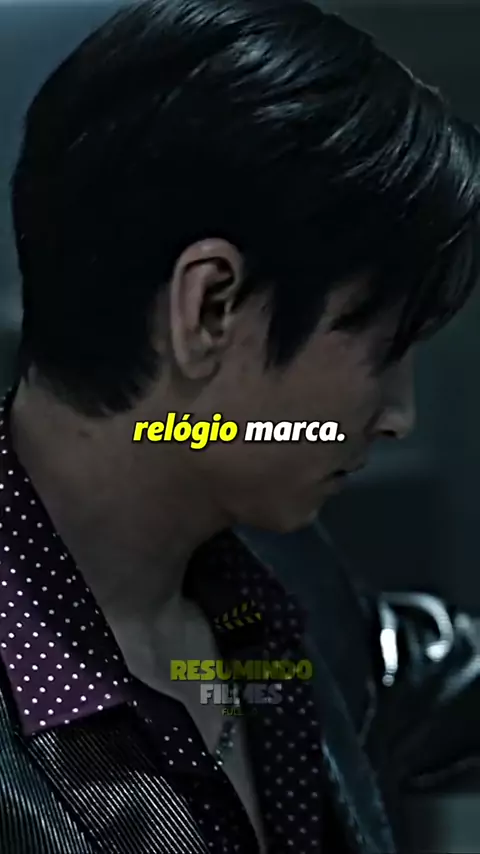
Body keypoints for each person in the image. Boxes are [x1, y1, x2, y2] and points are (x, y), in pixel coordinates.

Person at [1, 0, 480, 851]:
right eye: (385, 347)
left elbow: (415, 675)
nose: (399, 416)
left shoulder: (277, 589)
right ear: (210, 308)